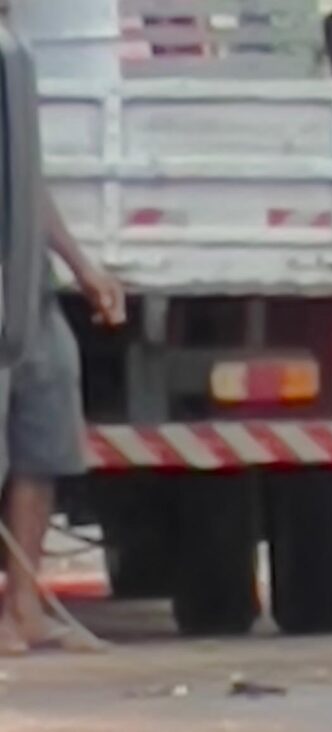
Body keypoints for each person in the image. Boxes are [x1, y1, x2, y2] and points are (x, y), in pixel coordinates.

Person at [0, 16, 125, 654]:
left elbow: (29, 179)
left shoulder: (16, 55)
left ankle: (23, 603)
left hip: (28, 280)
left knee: (43, 429)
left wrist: (82, 267)